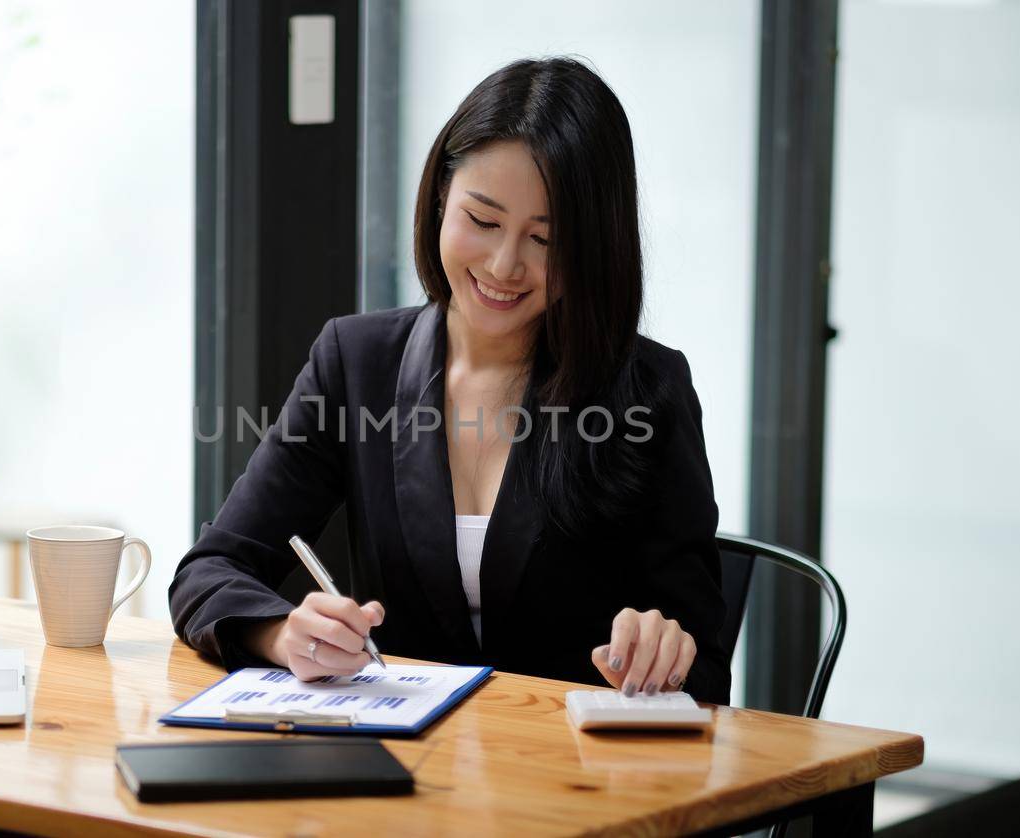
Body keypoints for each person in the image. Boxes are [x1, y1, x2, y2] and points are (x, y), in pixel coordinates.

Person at [169, 57, 728, 703]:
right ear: (440, 197)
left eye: (546, 240)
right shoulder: (356, 363)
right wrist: (279, 633)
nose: (504, 264)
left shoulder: (647, 389)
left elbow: (708, 666)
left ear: (595, 248)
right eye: (483, 221)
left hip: (569, 777)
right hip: (406, 773)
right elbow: (210, 571)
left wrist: (665, 650)